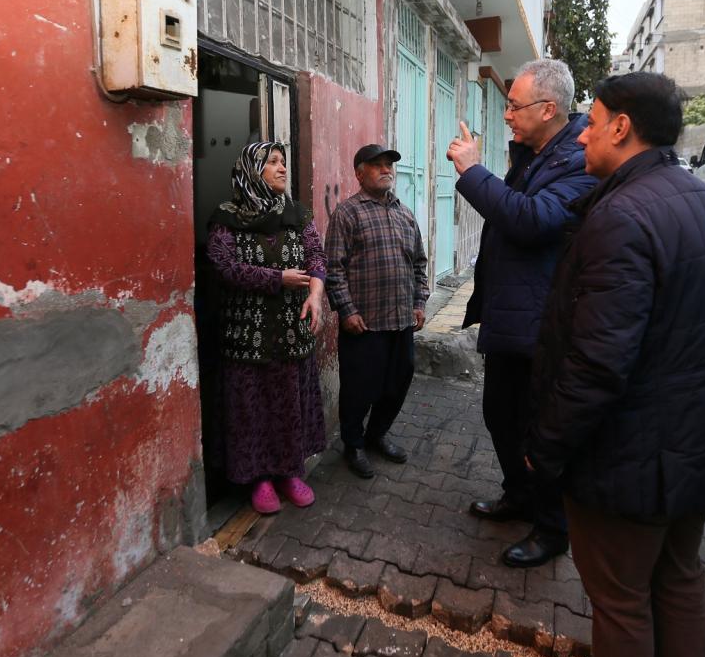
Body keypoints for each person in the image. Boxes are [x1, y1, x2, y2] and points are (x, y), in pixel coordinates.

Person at [526, 72, 705, 657]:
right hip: (697, 444)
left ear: (622, 127)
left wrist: (545, 446)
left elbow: (597, 362)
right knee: (679, 578)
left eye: (591, 125)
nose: (581, 140)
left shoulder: (621, 215)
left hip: (634, 458)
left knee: (621, 602)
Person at [445, 58, 598, 568]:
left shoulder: (577, 158)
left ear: (548, 108)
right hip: (512, 312)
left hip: (544, 320)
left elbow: (532, 220)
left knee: (539, 430)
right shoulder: (535, 153)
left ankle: (552, 527)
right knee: (500, 415)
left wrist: (472, 170)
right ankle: (520, 496)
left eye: (514, 105)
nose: (506, 115)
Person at [206, 142, 327, 514]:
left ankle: (289, 473)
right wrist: (277, 279)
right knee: (252, 409)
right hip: (248, 337)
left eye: (283, 162)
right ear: (251, 169)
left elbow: (316, 258)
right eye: (272, 162)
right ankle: (259, 479)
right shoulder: (227, 216)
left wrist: (316, 295)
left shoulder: (297, 213)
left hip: (292, 332)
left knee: (288, 404)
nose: (281, 168)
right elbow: (223, 266)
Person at [325, 144, 429, 480]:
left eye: (389, 165)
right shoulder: (347, 214)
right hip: (364, 324)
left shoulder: (405, 214)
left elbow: (419, 264)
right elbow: (333, 268)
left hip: (400, 321)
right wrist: (346, 310)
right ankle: (353, 444)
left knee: (397, 382)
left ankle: (376, 435)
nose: (386, 170)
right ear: (359, 173)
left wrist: (419, 302)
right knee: (359, 388)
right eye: (377, 165)